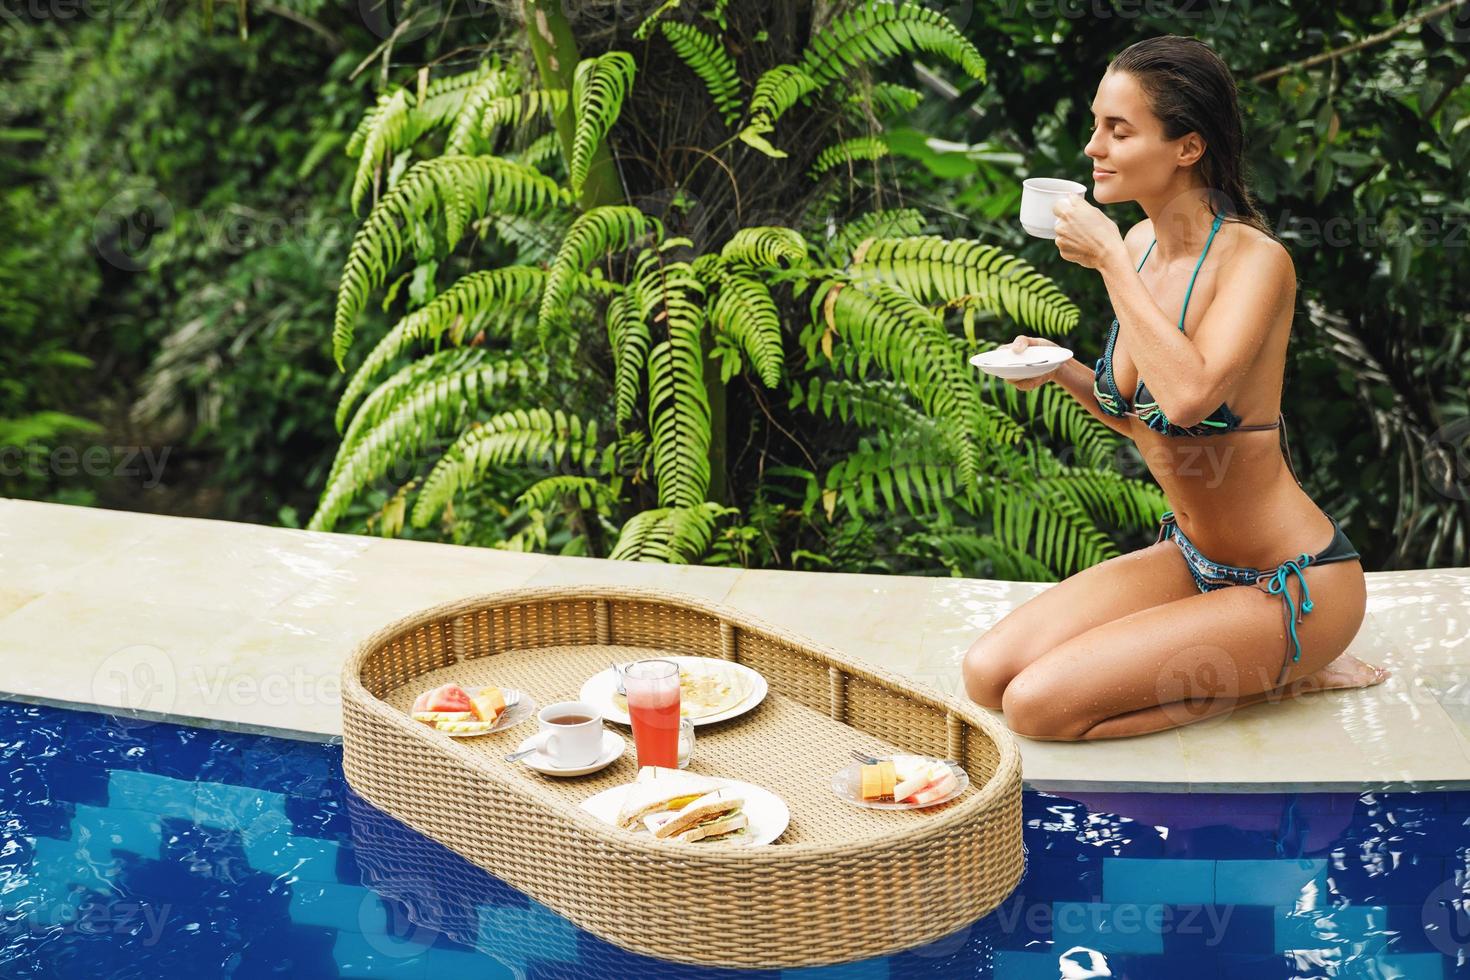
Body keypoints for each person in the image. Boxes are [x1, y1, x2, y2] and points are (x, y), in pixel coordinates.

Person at [961, 35, 1388, 741]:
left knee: (1039, 709)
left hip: (1291, 585)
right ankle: (1257, 663)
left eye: (1117, 130)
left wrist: (1106, 263)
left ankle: (1288, 671)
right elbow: (1147, 418)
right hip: (1190, 560)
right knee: (988, 675)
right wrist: (1060, 368)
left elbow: (1191, 400)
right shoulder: (1139, 245)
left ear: (1187, 148)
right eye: (1097, 124)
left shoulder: (1256, 263)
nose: (1093, 146)